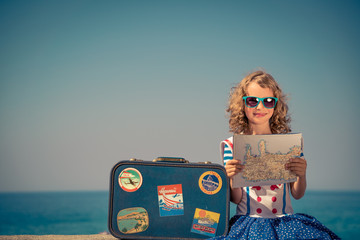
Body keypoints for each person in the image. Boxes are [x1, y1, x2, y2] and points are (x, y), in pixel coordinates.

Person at [211, 70, 339, 239]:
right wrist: (231, 178)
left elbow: (297, 194)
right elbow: (236, 198)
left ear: (276, 106)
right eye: (252, 100)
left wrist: (301, 174)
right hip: (248, 223)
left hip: (285, 222)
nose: (260, 107)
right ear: (242, 104)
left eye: (268, 101)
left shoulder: (288, 145)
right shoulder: (232, 145)